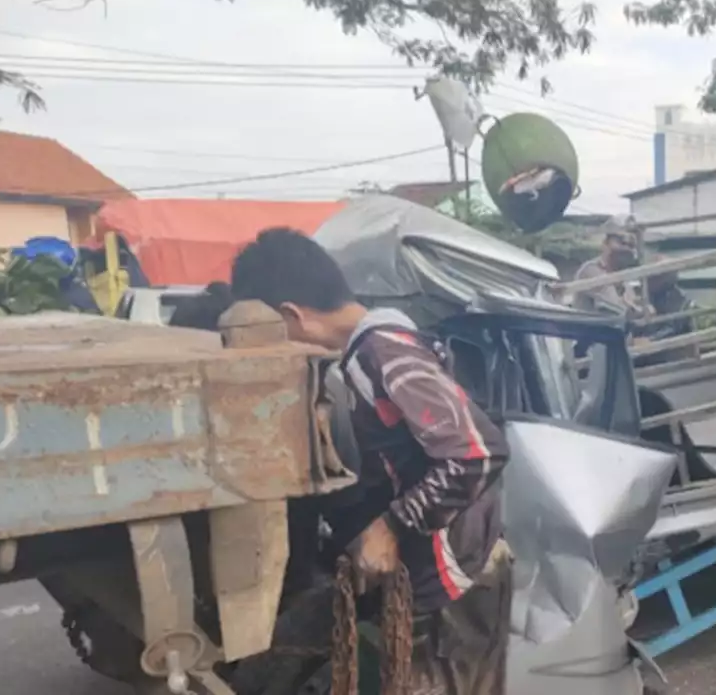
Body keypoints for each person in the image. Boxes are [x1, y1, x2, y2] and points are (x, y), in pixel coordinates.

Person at [230, 228, 512, 695]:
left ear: (291, 315)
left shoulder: (383, 352)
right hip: (447, 567)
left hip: (456, 576)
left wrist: (391, 527)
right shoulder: (368, 353)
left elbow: (476, 454)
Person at [572, 222, 650, 320]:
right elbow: (615, 309)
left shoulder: (624, 281)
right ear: (605, 244)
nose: (626, 248)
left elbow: (632, 306)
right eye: (621, 242)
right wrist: (640, 311)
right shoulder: (591, 270)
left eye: (631, 245)